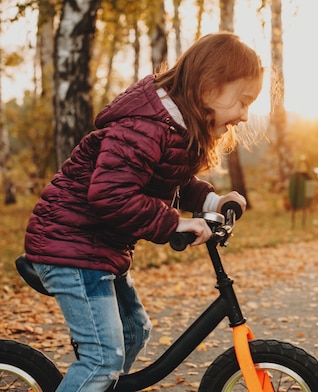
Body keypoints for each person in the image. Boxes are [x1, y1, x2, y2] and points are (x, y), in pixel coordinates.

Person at [24, 32, 263, 391]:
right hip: (71, 247)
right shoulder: (144, 126)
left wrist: (212, 203)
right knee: (102, 358)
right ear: (209, 87)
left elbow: (168, 180)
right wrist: (174, 225)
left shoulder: (172, 129)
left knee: (135, 331)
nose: (245, 115)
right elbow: (110, 194)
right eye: (243, 101)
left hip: (98, 249)